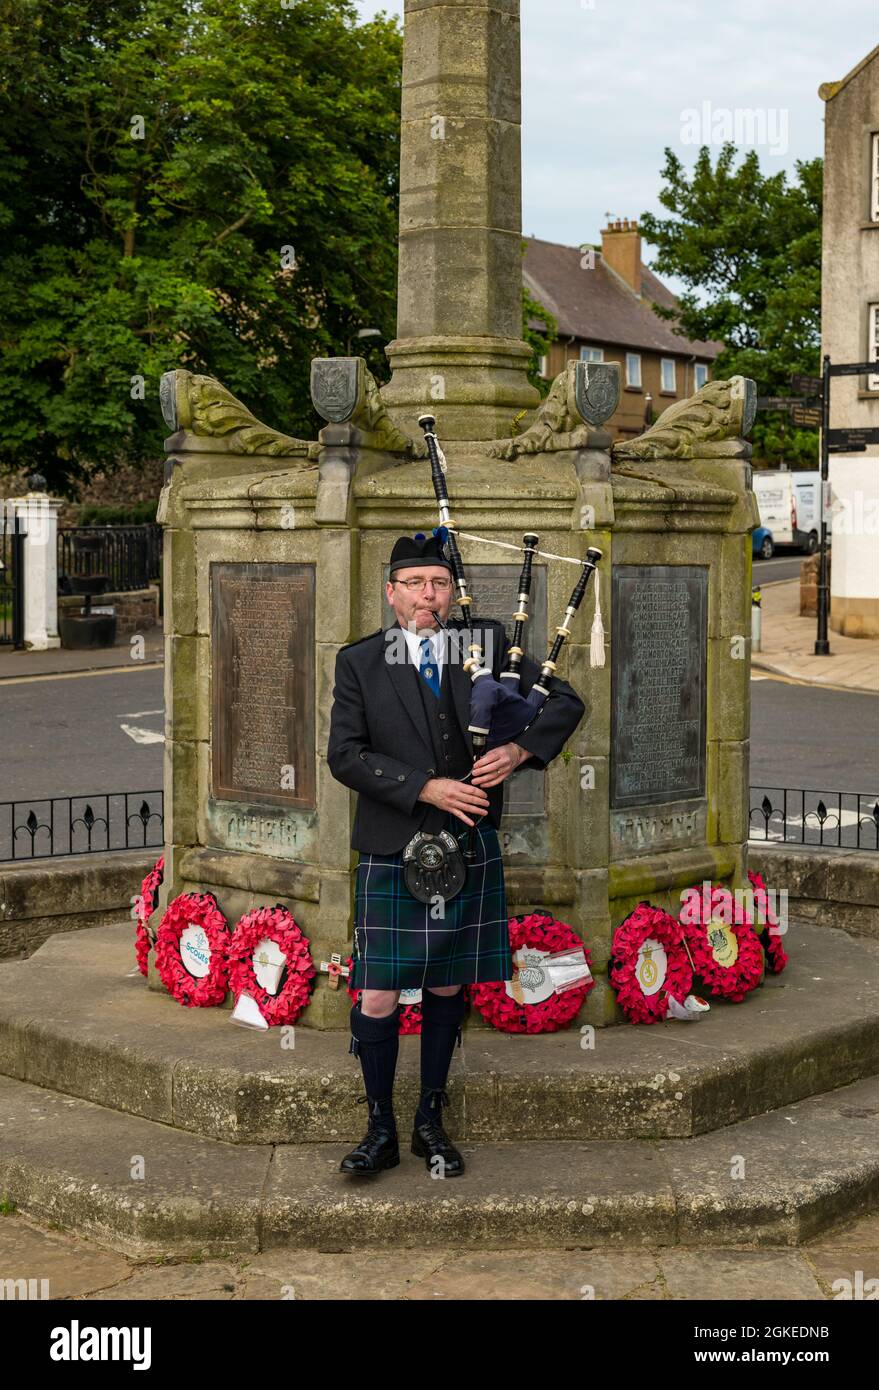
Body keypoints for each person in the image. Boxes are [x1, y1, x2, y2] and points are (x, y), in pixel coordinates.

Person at [327, 532, 585, 1177]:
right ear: (391, 594)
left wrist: (521, 750)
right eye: (414, 584)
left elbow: (566, 700)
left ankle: (429, 1123)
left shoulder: (487, 645)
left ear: (452, 592)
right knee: (380, 993)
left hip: (465, 845)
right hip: (395, 842)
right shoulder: (360, 662)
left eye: (438, 584)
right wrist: (424, 786)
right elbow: (345, 756)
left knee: (447, 984)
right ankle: (379, 1127)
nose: (427, 596)